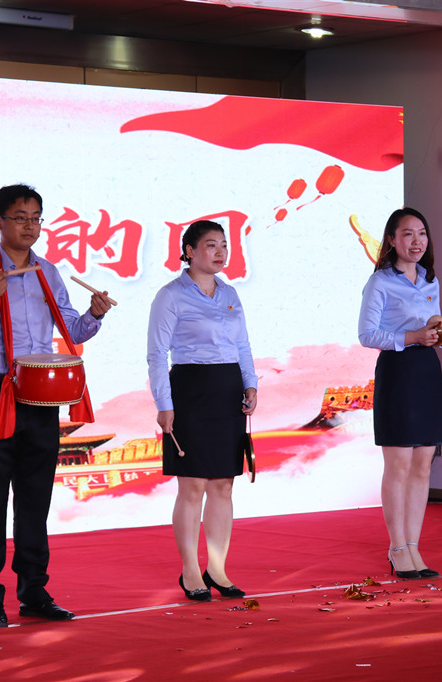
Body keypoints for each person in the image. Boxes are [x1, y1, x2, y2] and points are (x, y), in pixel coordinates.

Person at [0, 183, 113, 628]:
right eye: (20, 217)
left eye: (36, 218)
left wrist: (94, 314)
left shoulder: (47, 272)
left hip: (40, 392)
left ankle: (34, 591)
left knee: (35, 496)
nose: (29, 226)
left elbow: (72, 330)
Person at [147, 220, 258, 602]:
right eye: (211, 245)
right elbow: (156, 355)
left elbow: (243, 346)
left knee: (224, 484)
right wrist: (164, 404)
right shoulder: (170, 296)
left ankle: (218, 568)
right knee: (192, 484)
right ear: (189, 251)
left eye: (224, 245)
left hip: (228, 391)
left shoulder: (230, 293)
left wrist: (250, 384)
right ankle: (190, 570)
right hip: (190, 391)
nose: (220, 252)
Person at [358, 207, 442, 580]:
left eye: (422, 233)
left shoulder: (430, 280)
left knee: (423, 464)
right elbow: (367, 334)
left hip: (427, 370)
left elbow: (431, 324)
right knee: (399, 465)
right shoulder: (380, 282)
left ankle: (413, 545)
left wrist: (439, 333)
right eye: (408, 234)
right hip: (397, 371)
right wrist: (412, 336)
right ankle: (397, 547)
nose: (416, 241)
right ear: (392, 240)